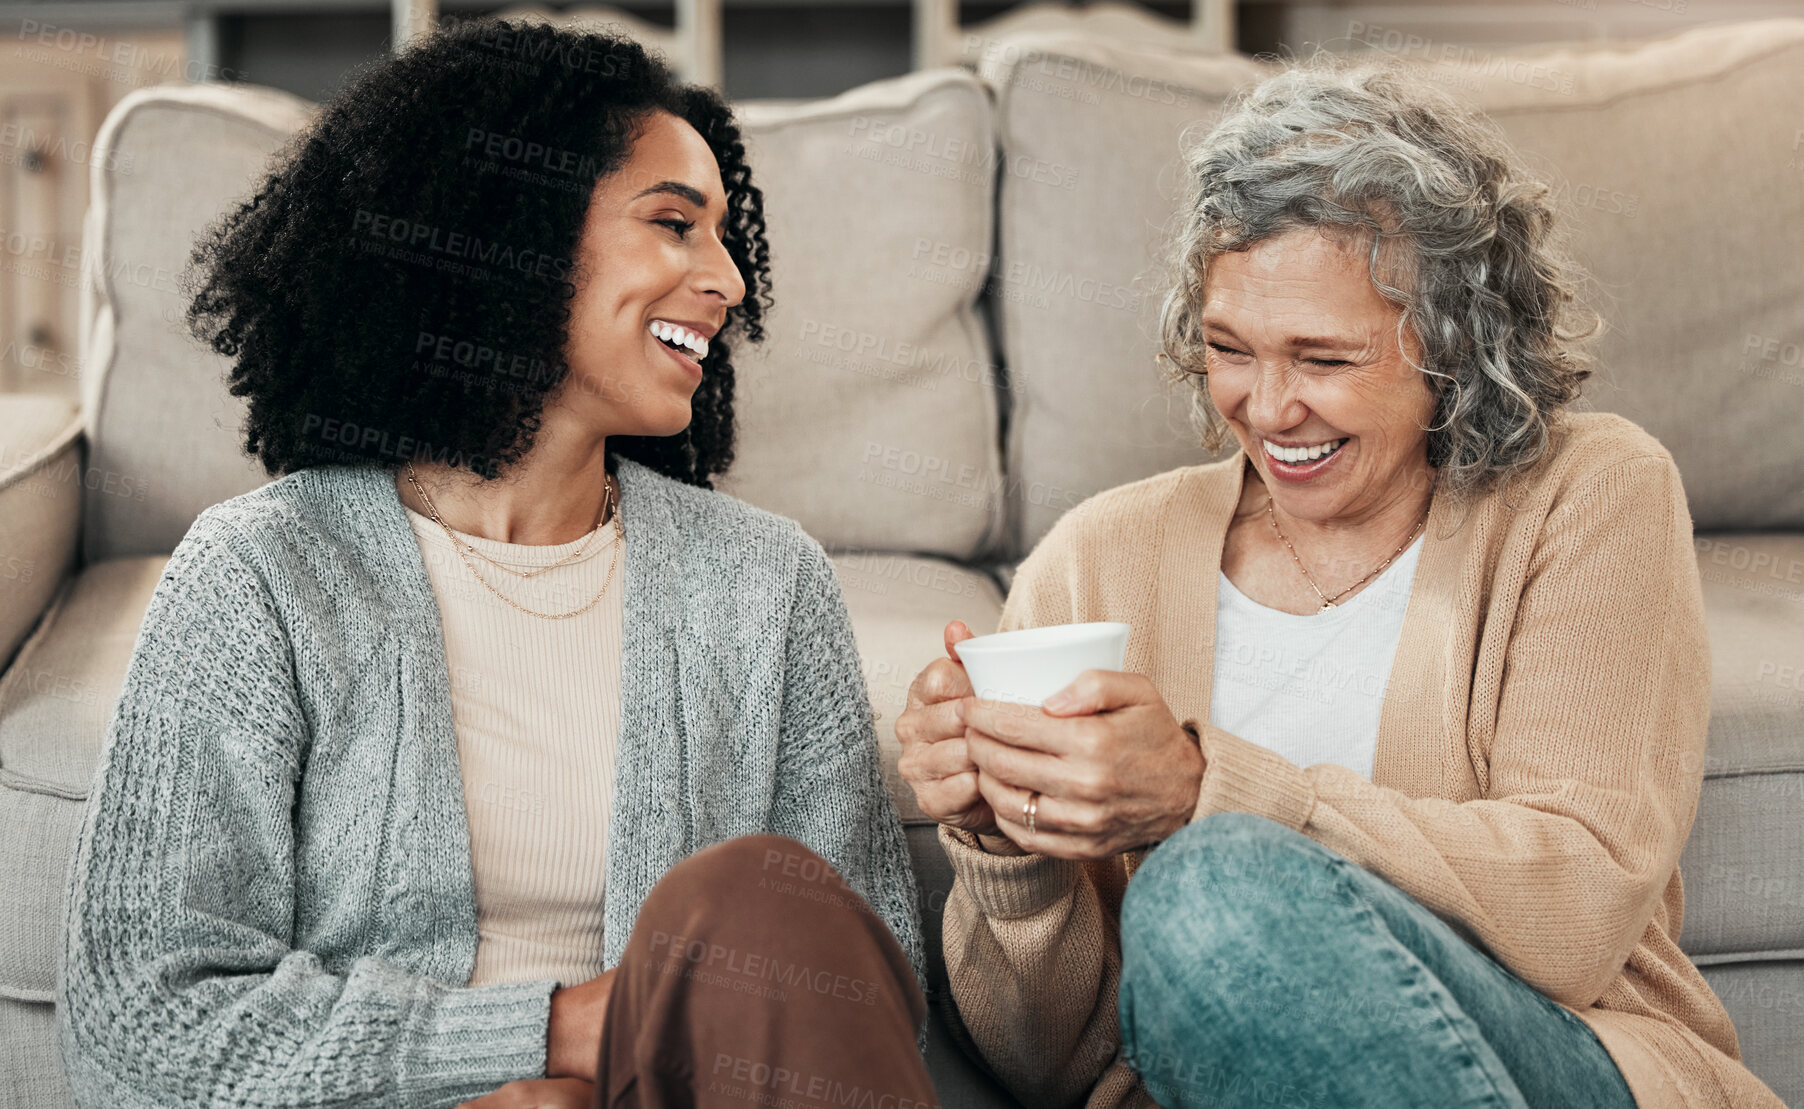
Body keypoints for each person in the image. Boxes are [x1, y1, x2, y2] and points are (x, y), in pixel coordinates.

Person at [56, 19, 934, 1109]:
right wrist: (552, 1034)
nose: (727, 282)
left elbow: (860, 988)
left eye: (723, 239)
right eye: (673, 225)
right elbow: (140, 1019)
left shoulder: (765, 582)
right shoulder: (260, 574)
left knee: (758, 898)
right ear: (502, 233)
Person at [896, 58, 1785, 1109]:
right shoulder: (1094, 560)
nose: (1269, 408)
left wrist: (1200, 790)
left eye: (1322, 360)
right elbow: (1052, 1063)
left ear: (1454, 345)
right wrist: (1007, 838)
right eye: (1230, 348)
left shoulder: (1588, 493)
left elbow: (1576, 909)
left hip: (1558, 1058)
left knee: (1209, 885)